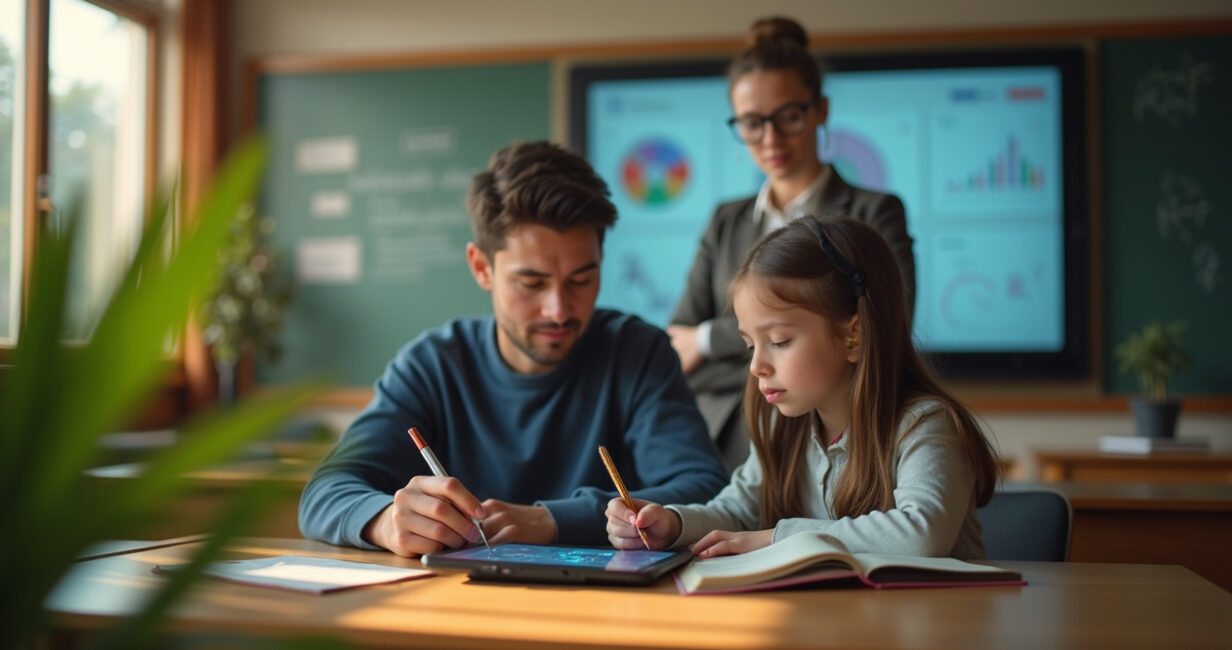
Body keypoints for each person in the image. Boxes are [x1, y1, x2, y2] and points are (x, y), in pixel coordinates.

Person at [299, 141, 728, 557]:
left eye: (581, 279)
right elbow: (324, 493)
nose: (559, 310)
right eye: (532, 283)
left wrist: (554, 521)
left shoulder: (638, 353)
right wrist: (386, 520)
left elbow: (704, 488)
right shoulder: (432, 364)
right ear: (481, 267)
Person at [606, 217, 998, 560]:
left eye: (778, 341)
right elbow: (738, 510)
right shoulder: (784, 427)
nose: (757, 365)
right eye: (749, 345)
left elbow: (921, 534)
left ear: (853, 335)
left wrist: (778, 539)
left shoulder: (923, 425)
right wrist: (672, 523)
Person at [669, 16, 914, 470]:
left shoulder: (873, 213)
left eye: (789, 117)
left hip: (839, 434)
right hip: (727, 438)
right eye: (751, 123)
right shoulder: (727, 220)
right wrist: (793, 345)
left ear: (820, 109)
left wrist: (709, 339)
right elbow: (679, 343)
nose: (770, 139)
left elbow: (882, 330)